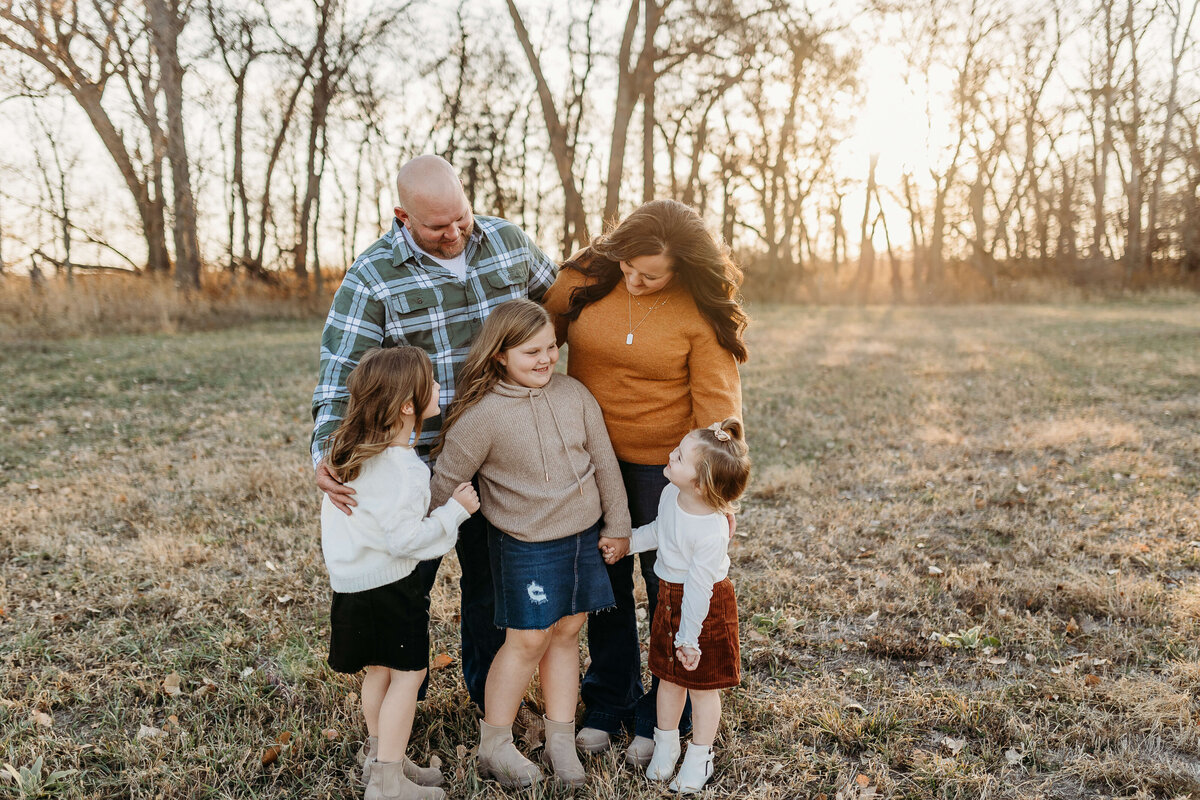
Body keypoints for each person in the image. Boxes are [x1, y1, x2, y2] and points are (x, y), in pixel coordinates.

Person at [312, 155, 559, 724]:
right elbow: (339, 369)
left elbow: (563, 302)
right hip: (410, 464)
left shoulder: (508, 243)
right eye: (435, 226)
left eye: (461, 219)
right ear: (402, 216)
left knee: (493, 588)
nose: (453, 234)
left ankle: (490, 697)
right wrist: (327, 450)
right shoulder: (373, 275)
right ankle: (399, 705)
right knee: (403, 588)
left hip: (500, 454)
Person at [541, 199, 748, 765]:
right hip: (587, 460)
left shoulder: (697, 309)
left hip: (669, 473)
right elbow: (532, 337)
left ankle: (664, 713)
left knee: (669, 592)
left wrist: (717, 493)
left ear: (681, 265)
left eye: (650, 274)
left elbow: (718, 411)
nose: (634, 280)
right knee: (602, 584)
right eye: (629, 266)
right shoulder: (587, 276)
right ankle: (608, 700)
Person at [428, 299, 632, 788]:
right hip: (525, 543)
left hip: (583, 536)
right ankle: (494, 745)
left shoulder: (574, 394)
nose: (546, 360)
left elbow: (605, 463)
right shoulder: (482, 415)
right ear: (499, 355)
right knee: (528, 639)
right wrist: (437, 521)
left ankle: (560, 740)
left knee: (567, 632)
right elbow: (445, 477)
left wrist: (618, 525)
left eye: (551, 348)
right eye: (530, 352)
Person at [319, 346, 481, 800]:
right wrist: (454, 512)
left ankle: (378, 759)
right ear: (409, 404)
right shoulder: (404, 469)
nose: (437, 387)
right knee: (407, 675)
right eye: (430, 380)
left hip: (354, 584)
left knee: (380, 672)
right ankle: (388, 783)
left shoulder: (349, 454)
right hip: (390, 586)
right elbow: (405, 539)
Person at [625, 419, 750, 794]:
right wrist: (627, 543)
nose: (670, 456)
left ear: (699, 483)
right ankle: (666, 747)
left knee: (701, 686)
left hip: (704, 609)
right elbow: (660, 532)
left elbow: (699, 587)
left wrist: (689, 638)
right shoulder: (671, 494)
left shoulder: (711, 530)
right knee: (668, 677)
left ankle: (700, 754)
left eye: (679, 456)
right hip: (668, 597)